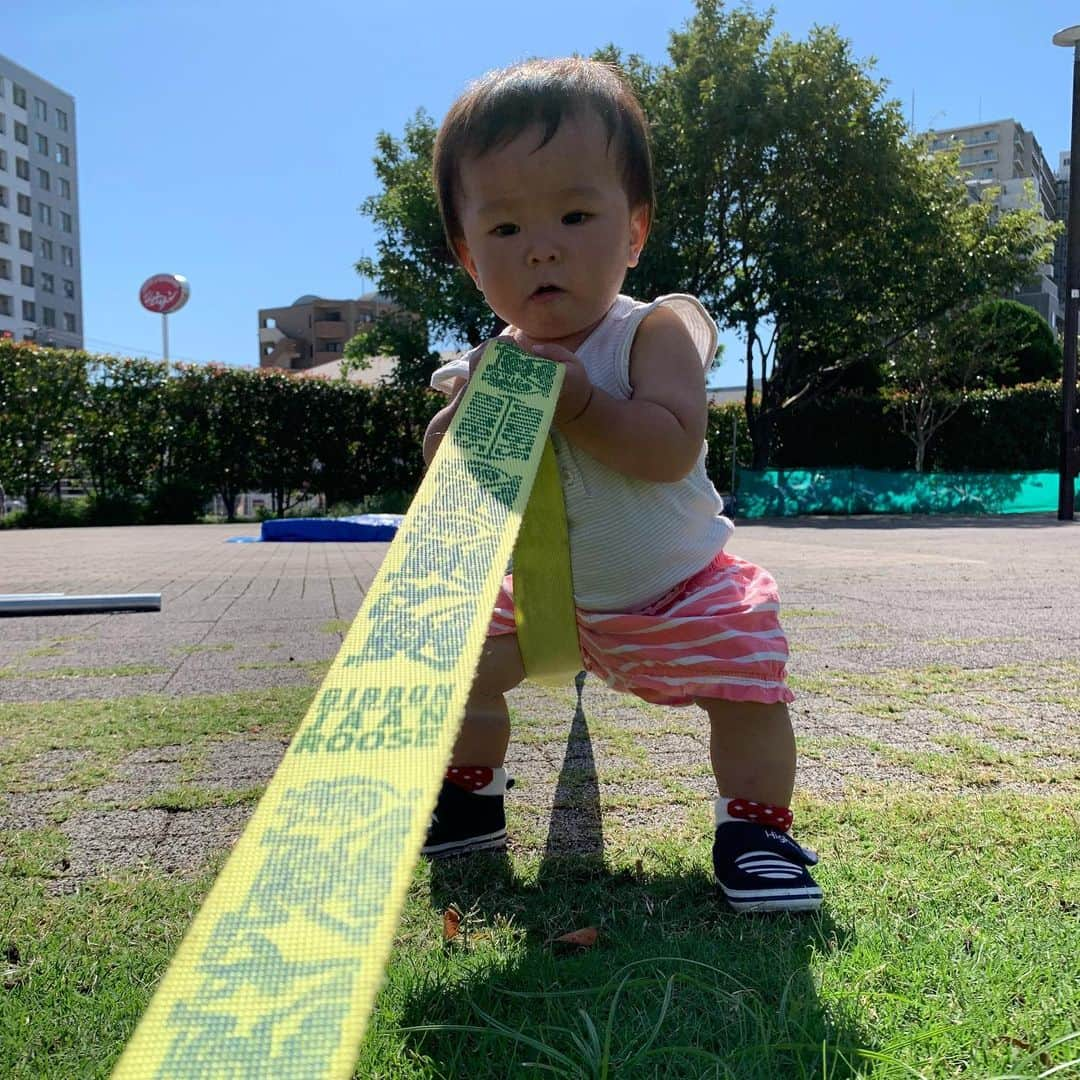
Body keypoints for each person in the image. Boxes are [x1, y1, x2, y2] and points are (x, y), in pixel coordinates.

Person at [420, 57, 820, 913]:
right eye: (504, 229)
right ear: (467, 253)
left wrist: (585, 405)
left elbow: (670, 448)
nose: (542, 247)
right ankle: (469, 796)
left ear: (633, 232)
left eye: (574, 214)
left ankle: (756, 829)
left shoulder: (650, 336)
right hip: (547, 601)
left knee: (747, 683)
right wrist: (454, 438)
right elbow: (461, 489)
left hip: (677, 593)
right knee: (456, 667)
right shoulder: (490, 364)